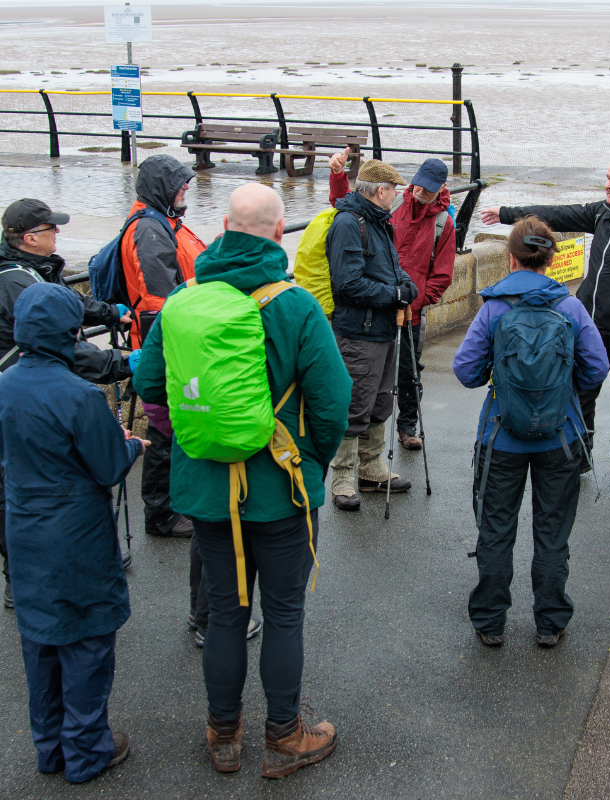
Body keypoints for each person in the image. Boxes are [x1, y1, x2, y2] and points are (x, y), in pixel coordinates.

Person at [134, 184, 352, 777]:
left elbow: (151, 384)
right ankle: (284, 738)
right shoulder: (295, 304)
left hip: (207, 489)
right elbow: (334, 400)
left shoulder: (185, 297)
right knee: (283, 613)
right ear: (279, 232)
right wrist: (312, 461)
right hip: (282, 491)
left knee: (227, 614)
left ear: (225, 226)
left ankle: (222, 734)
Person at [0, 282, 147, 782]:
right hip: (75, 533)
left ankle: (50, 748)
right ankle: (86, 752)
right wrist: (129, 445)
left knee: (40, 640)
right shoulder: (80, 395)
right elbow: (107, 467)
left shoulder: (4, 384)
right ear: (70, 332)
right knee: (85, 640)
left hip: (23, 527)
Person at [453, 216, 609, 648]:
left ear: (511, 256)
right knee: (553, 532)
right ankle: (550, 621)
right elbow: (596, 368)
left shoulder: (493, 307)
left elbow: (465, 371)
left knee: (496, 530)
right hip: (560, 436)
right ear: (551, 258)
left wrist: (499, 377)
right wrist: (561, 390)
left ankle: (490, 622)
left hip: (501, 436)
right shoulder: (571, 307)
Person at [481, 158, 610, 488]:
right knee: (581, 392)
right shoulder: (603, 212)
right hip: (591, 323)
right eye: (607, 177)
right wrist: (506, 213)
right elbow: (558, 213)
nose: (608, 184)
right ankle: (581, 452)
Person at [0, 198, 138, 610]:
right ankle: (20, 575)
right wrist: (122, 362)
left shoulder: (34, 272)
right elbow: (60, 342)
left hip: (22, 386)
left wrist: (107, 312)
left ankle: (28, 570)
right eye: (51, 229)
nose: (57, 234)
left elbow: (66, 305)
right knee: (18, 486)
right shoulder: (18, 281)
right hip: (22, 389)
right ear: (29, 237)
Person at [329, 150, 456, 449]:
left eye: (429, 187)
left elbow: (443, 275)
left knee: (410, 372)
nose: (421, 191)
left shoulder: (443, 223)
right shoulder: (391, 203)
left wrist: (415, 300)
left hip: (409, 309)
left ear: (441, 188)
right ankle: (363, 431)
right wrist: (337, 176)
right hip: (376, 309)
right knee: (368, 374)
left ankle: (407, 425)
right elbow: (348, 202)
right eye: (418, 184)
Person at [120, 154, 206, 538]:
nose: (186, 188)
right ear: (162, 189)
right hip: (167, 343)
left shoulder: (163, 223)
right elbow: (160, 298)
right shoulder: (150, 230)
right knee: (164, 433)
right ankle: (160, 515)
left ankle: (169, 507)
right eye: (179, 184)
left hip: (174, 339)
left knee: (170, 430)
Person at [326, 159, 419, 511]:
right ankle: (343, 477)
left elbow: (391, 268)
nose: (397, 195)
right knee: (354, 404)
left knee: (380, 399)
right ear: (381, 191)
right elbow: (347, 284)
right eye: (394, 189)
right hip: (357, 333)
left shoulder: (378, 222)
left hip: (381, 330)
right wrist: (395, 294)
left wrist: (405, 285)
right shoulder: (350, 223)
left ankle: (370, 467)